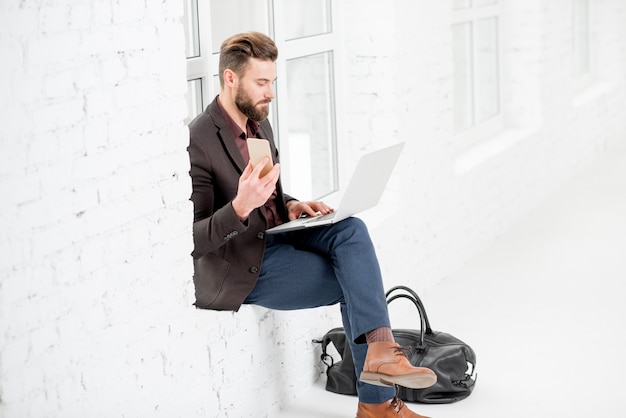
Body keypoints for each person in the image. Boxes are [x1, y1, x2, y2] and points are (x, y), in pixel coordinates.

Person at [187, 31, 436, 418]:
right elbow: (194, 240)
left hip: (274, 236)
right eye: (262, 83)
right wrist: (239, 207)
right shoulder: (199, 139)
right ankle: (376, 404)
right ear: (230, 79)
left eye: (273, 82)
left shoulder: (258, 123)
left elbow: (267, 195)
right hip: (241, 264)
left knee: (351, 228)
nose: (271, 93)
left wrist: (289, 205)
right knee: (356, 281)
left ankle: (382, 356)